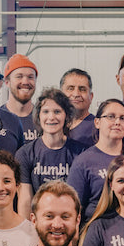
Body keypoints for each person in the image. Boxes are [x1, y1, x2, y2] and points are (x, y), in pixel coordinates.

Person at [68, 98, 124, 222]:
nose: (117, 122)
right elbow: (72, 208)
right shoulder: (83, 162)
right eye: (111, 117)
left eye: (122, 118)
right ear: (97, 122)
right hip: (99, 231)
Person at [15, 88, 86, 220]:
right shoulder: (25, 154)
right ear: (38, 116)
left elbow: (80, 201)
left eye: (57, 111)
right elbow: (25, 202)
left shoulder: (81, 153)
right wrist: (27, 235)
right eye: (46, 112)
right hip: (39, 225)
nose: (51, 117)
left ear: (66, 116)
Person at [0, 53, 39, 145]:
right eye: (19, 76)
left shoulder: (45, 119)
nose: (25, 82)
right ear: (7, 82)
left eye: (30, 77)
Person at [60, 69, 96, 146]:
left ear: (91, 96)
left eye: (82, 89)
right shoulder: (53, 124)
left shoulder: (98, 128)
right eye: (70, 88)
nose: (76, 94)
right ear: (60, 94)